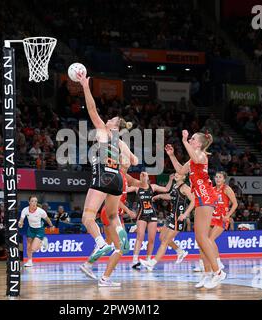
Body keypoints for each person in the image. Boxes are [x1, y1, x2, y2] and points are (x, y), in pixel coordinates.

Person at [77, 71, 138, 287]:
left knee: (87, 217)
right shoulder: (120, 141)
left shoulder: (104, 130)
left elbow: (92, 109)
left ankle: (101, 243)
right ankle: (115, 237)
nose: (108, 118)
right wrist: (123, 162)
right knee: (112, 216)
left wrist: (85, 86)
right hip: (117, 182)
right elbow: (133, 161)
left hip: (103, 176)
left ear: (113, 125)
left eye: (111, 119)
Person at [167, 130, 225, 289]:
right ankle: (207, 274)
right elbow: (180, 171)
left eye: (192, 139)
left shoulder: (201, 156)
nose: (190, 140)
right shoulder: (193, 160)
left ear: (198, 143)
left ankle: (218, 272)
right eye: (190, 139)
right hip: (200, 198)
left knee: (202, 238)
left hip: (206, 197)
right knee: (200, 239)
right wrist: (172, 155)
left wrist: (184, 141)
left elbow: (195, 156)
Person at [139, 172, 194, 271]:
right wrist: (159, 196)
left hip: (178, 218)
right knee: (161, 237)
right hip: (171, 216)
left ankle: (152, 263)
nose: (176, 175)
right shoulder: (175, 185)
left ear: (184, 176)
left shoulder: (185, 187)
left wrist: (185, 215)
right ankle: (180, 251)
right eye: (176, 173)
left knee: (165, 241)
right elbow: (170, 196)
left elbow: (194, 201)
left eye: (179, 174)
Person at [193, 171, 238, 274]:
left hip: (221, 219)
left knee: (210, 239)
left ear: (224, 179)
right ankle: (203, 264)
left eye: (220, 177)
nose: (217, 179)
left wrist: (228, 215)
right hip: (211, 218)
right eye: (216, 177)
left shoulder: (226, 189)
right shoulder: (212, 189)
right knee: (203, 241)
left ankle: (218, 262)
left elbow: (235, 204)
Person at [129, 172, 174, 269]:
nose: (143, 176)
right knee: (140, 236)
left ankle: (148, 259)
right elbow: (124, 190)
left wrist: (170, 180)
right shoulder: (136, 187)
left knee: (151, 239)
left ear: (148, 178)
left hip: (152, 214)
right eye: (141, 175)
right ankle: (134, 260)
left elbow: (166, 189)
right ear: (140, 178)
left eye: (145, 175)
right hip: (142, 214)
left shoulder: (152, 187)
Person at [18, 195, 55, 267]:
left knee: (33, 248)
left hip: (39, 230)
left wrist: (51, 226)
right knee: (28, 246)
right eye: (32, 201)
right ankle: (29, 261)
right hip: (31, 229)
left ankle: (43, 241)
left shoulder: (41, 211)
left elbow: (47, 219)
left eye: (35, 201)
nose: (34, 203)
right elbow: (21, 219)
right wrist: (20, 223)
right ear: (29, 202)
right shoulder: (25, 210)